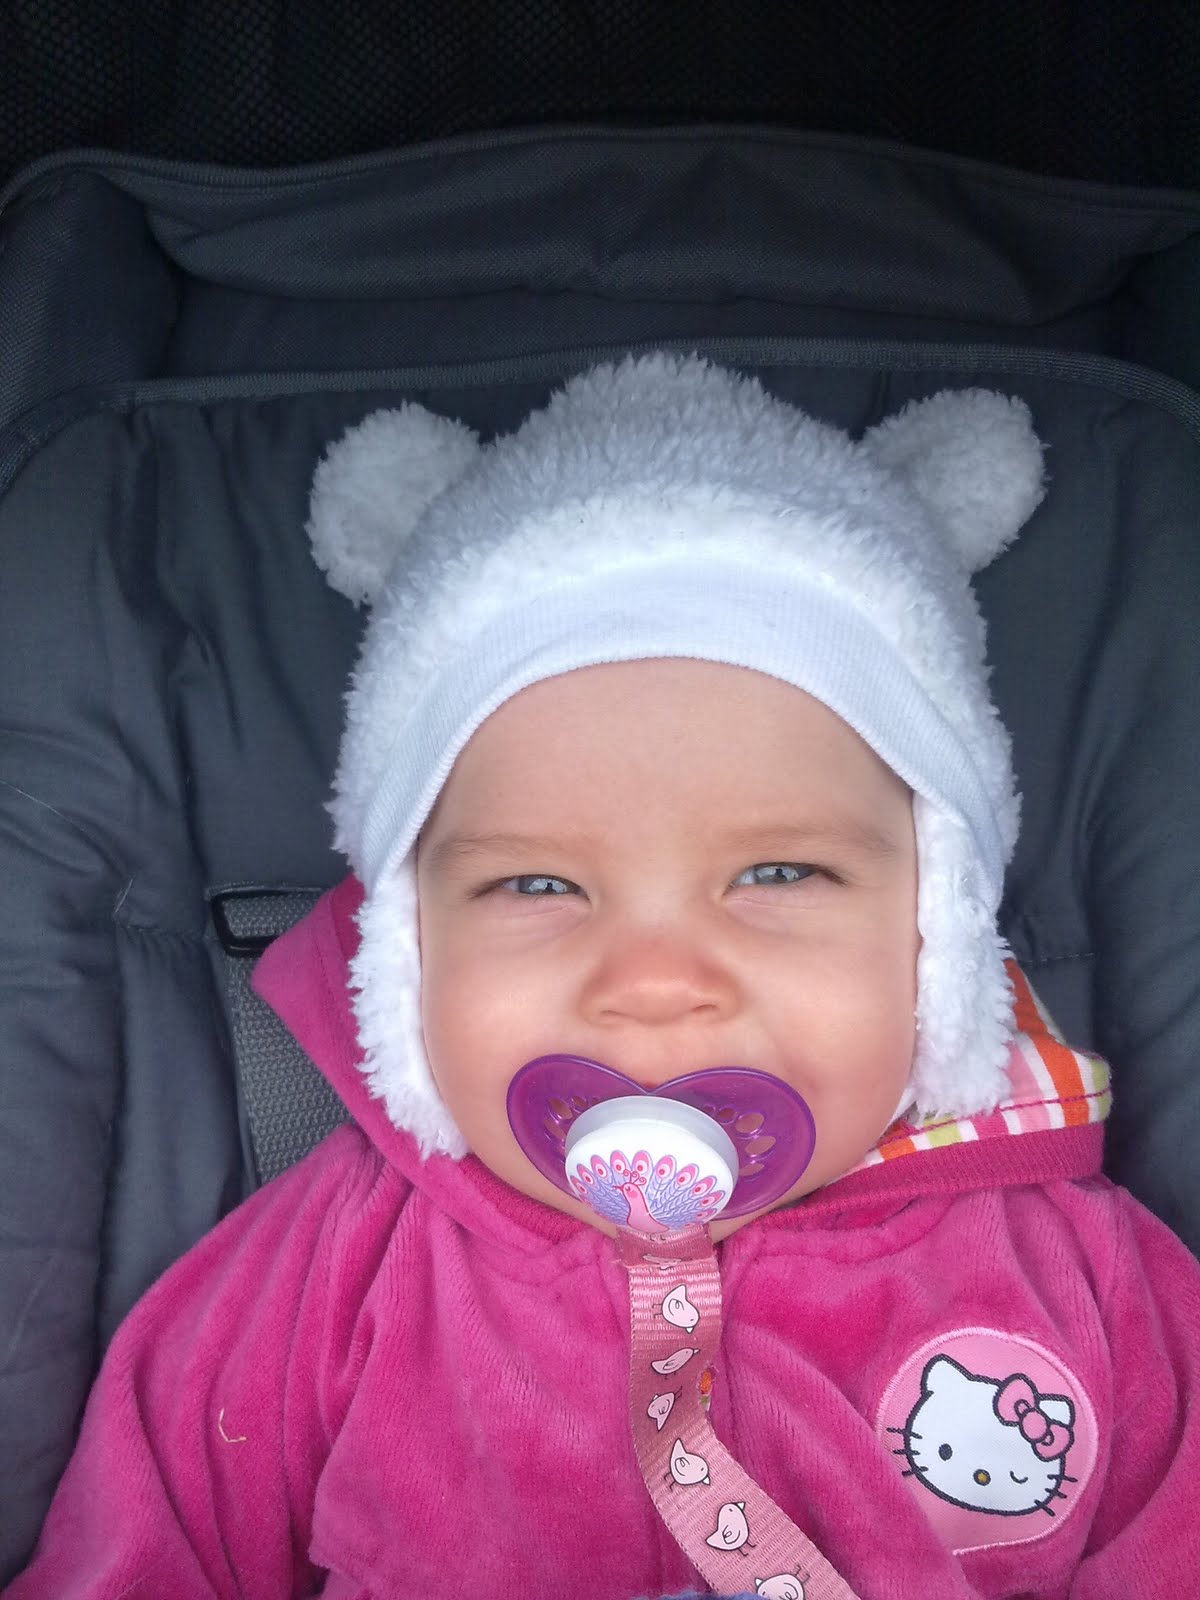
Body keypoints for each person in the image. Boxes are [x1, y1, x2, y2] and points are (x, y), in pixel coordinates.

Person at [7, 354, 1199, 1599]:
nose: (654, 981)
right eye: (537, 884)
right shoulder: (337, 1264)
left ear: (938, 935)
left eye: (779, 872)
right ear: (407, 956)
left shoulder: (1085, 1273)